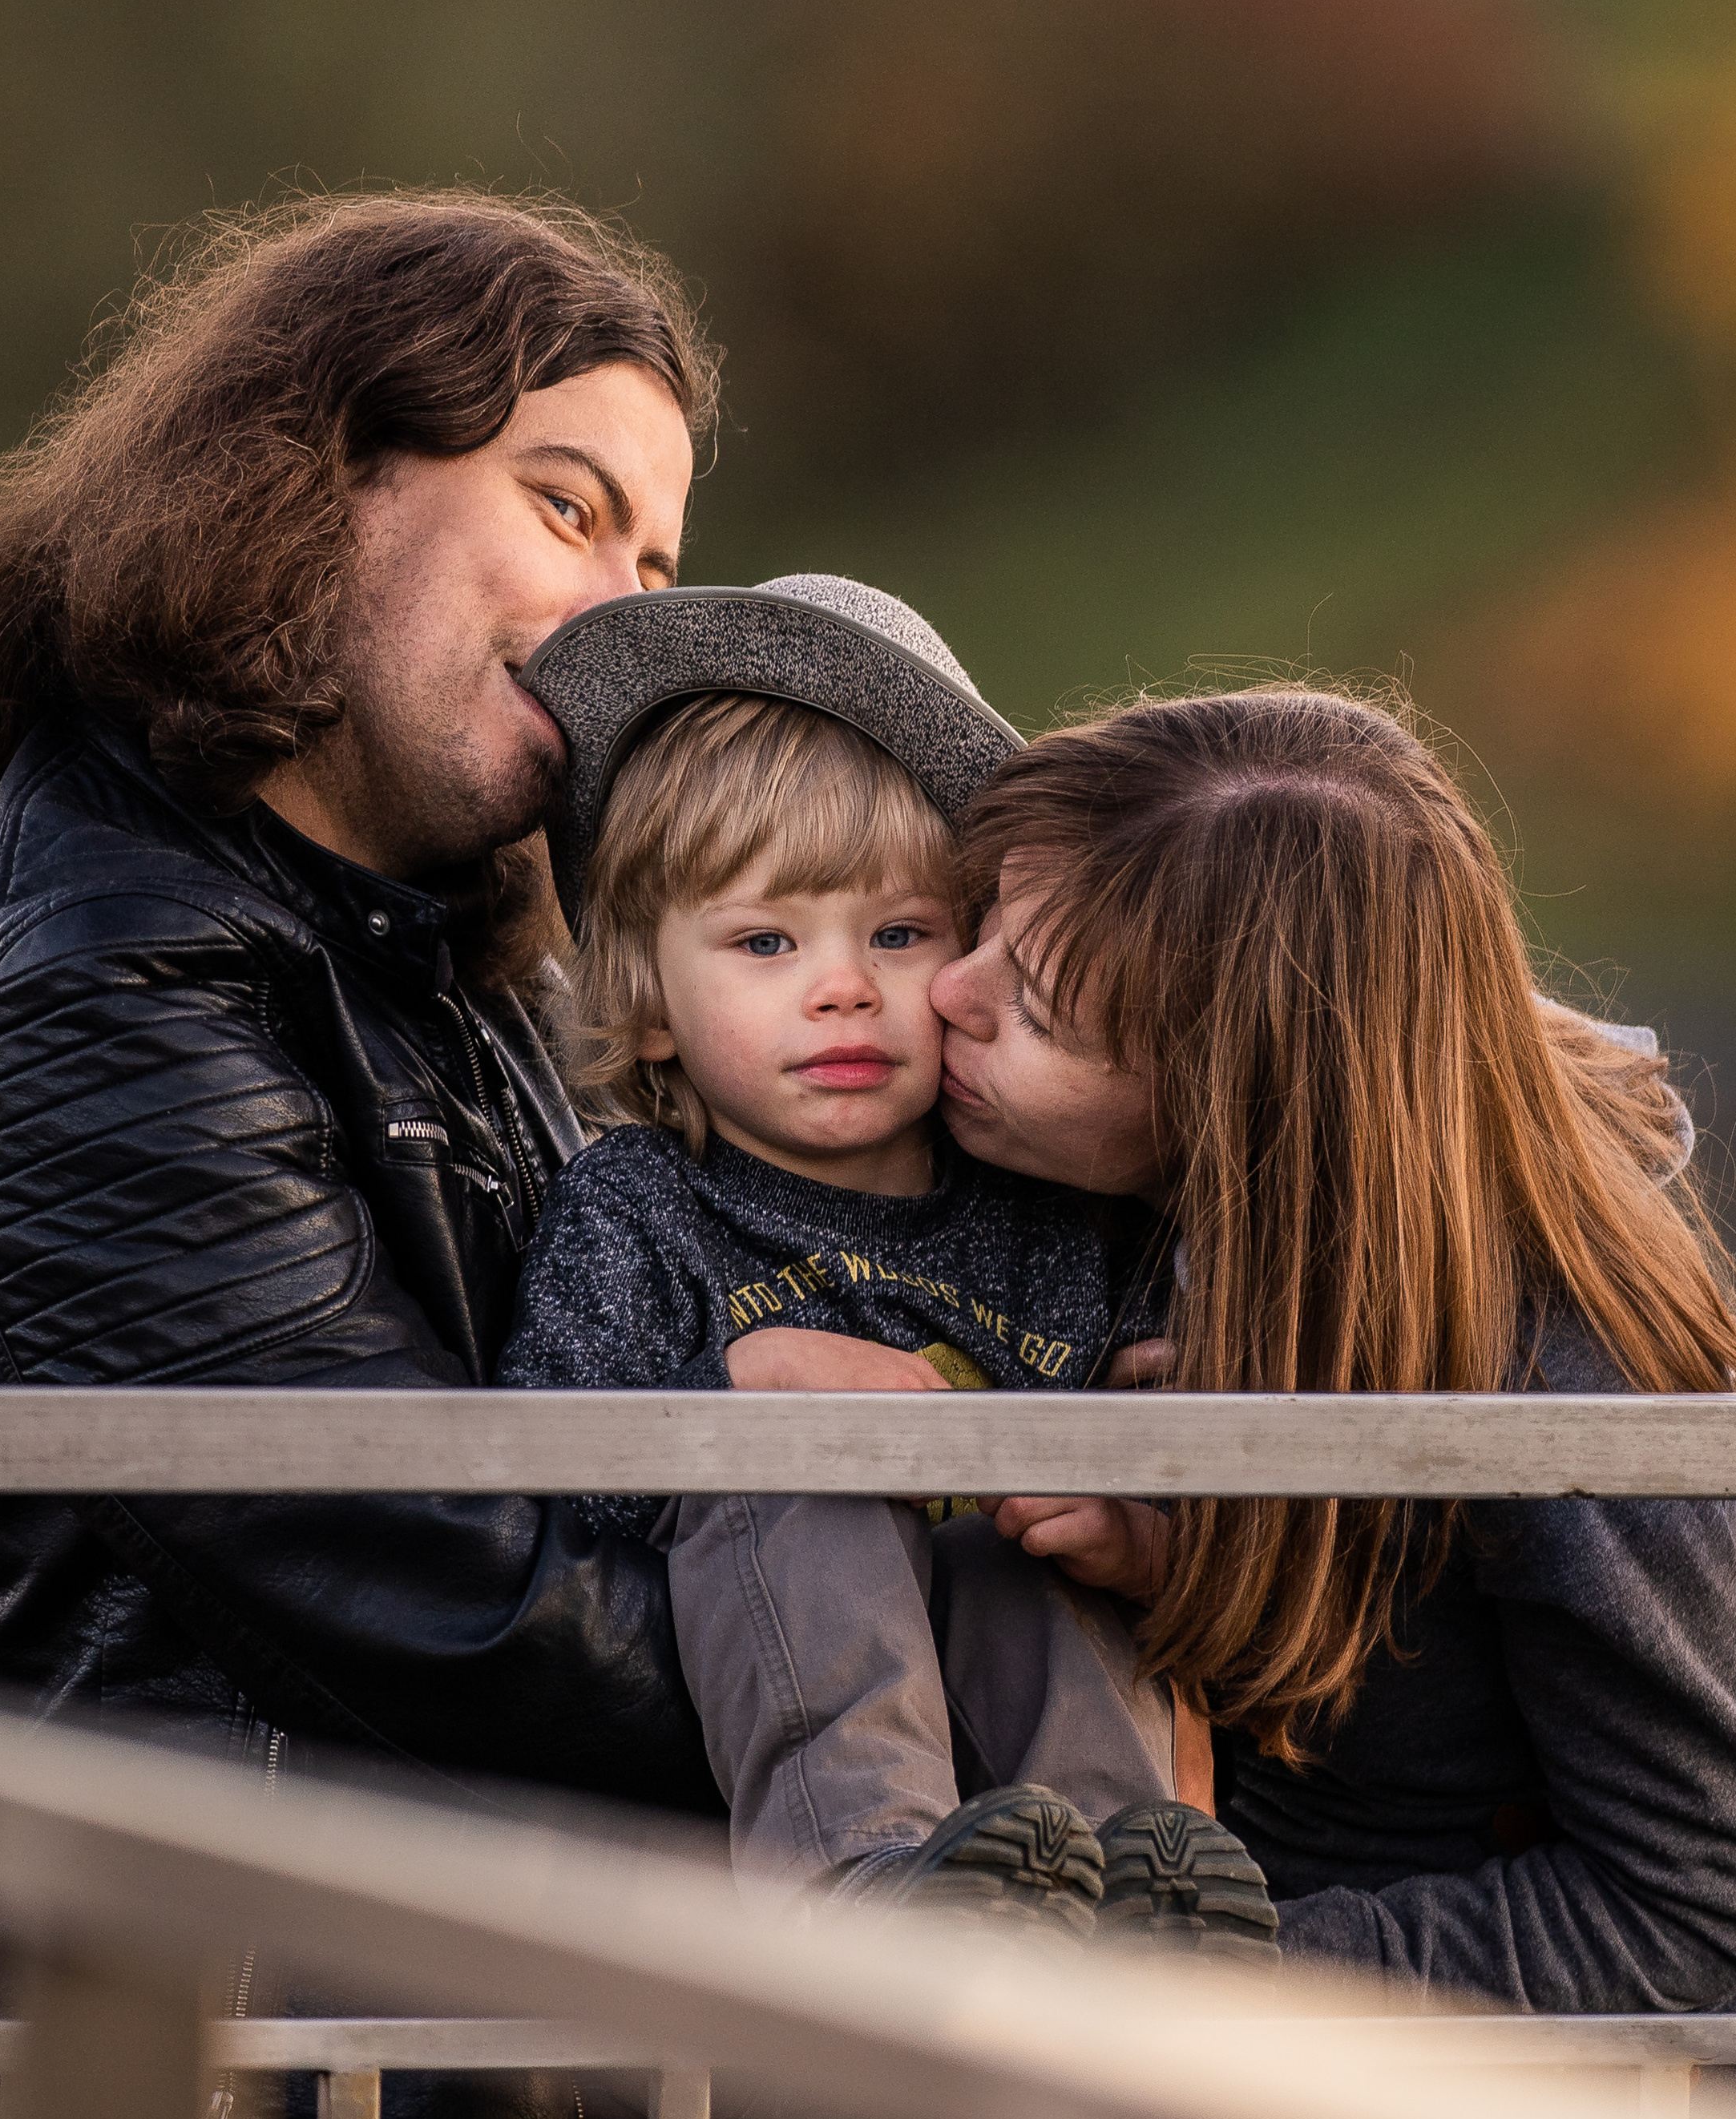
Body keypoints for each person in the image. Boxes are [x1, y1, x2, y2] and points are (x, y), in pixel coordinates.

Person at [0, 192, 821, 2119]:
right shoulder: (99, 983)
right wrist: (914, 1719)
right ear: (313, 475)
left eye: (655, 567)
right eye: (568, 512)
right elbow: (444, 1591)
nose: (617, 625)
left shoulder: (412, 939)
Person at [927, 682, 1736, 2119]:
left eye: (1030, 1008)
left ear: (1234, 1101)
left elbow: (1697, 1902)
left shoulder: (1557, 1367)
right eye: (970, 929)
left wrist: (1230, 1971)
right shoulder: (1193, 1220)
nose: (943, 995)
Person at [497, 577, 1277, 1951]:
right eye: (765, 942)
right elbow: (538, 1494)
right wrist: (726, 1383)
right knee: (803, 1471)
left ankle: (1122, 1902)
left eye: (899, 935)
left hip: (1014, 1743)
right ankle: (864, 1891)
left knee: (1025, 1554)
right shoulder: (641, 1204)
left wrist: (1141, 1531)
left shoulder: (1042, 1203)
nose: (844, 987)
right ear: (649, 1006)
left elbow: (1182, 1438)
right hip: (768, 1704)